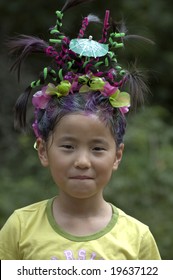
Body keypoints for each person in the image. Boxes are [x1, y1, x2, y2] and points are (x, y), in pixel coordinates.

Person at [0, 0, 161, 260]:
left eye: (98, 148)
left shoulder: (137, 238)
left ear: (117, 156)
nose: (83, 161)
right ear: (43, 150)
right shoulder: (19, 229)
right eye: (68, 146)